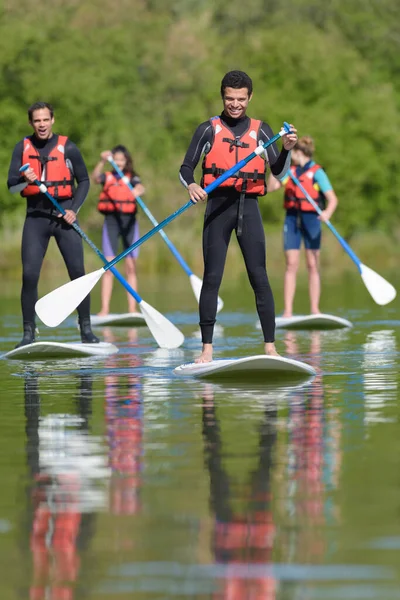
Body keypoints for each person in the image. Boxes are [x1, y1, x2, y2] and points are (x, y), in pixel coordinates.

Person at [179, 70, 298, 363]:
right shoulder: (208, 129)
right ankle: (206, 349)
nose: (235, 104)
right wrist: (193, 185)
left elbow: (279, 171)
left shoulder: (262, 130)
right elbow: (185, 168)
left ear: (250, 97)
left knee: (259, 277)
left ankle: (270, 347)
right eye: (230, 99)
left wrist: (286, 150)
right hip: (218, 207)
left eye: (241, 99)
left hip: (250, 207)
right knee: (212, 277)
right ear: (223, 96)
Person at [7, 101, 99, 347]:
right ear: (31, 123)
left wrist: (73, 209)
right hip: (36, 219)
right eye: (37, 120)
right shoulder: (22, 147)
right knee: (29, 274)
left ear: (52, 120)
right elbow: (11, 186)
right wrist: (23, 178)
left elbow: (85, 181)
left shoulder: (68, 147)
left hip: (64, 217)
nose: (42, 125)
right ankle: (28, 333)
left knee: (78, 274)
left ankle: (86, 330)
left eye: (45, 119)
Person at [267, 136, 339, 317]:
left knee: (312, 264)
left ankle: (315, 309)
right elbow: (271, 187)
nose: (290, 156)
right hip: (292, 219)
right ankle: (288, 311)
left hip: (312, 220)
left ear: (299, 153)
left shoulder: (317, 173)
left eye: (292, 152)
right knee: (291, 264)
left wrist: (327, 213)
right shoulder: (289, 171)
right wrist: (273, 165)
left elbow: (332, 199)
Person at [91, 145, 145, 315]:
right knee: (109, 267)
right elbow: (94, 178)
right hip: (111, 222)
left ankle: (132, 308)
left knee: (131, 267)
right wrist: (101, 160)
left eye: (122, 160)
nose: (119, 163)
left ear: (126, 161)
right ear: (112, 161)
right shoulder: (107, 176)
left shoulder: (132, 178)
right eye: (116, 160)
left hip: (129, 222)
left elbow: (141, 187)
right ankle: (104, 309)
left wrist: (138, 191)